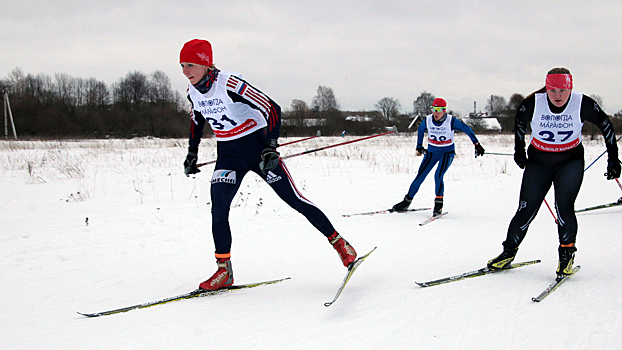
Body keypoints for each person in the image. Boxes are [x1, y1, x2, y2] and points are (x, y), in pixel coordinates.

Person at [179, 39, 357, 290]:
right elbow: (196, 120)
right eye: (182, 66)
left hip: (257, 150)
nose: (186, 72)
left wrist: (270, 146)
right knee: (218, 209)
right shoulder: (192, 92)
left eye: (191, 65)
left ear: (206, 64)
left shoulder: (229, 83)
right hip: (228, 156)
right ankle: (224, 271)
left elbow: (272, 107)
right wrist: (191, 153)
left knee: (294, 199)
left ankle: (340, 243)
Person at [487, 67, 621, 278]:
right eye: (553, 90)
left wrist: (613, 158)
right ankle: (508, 253)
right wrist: (519, 150)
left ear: (570, 88)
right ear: (547, 89)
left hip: (570, 161)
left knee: (564, 207)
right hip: (539, 162)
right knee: (526, 209)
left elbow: (606, 126)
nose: (557, 95)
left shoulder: (582, 103)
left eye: (562, 90)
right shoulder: (533, 103)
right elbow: (520, 123)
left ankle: (566, 256)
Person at [392, 98, 485, 216]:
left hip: (447, 152)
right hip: (432, 152)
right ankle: (406, 202)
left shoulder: (451, 121)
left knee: (438, 175)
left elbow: (467, 129)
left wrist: (477, 145)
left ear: (444, 110)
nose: (435, 113)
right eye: (433, 109)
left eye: (438, 110)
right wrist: (419, 146)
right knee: (420, 176)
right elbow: (420, 131)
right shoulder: (427, 120)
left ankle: (438, 204)